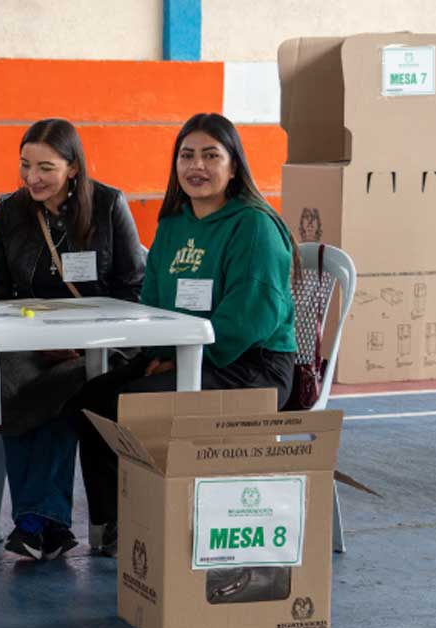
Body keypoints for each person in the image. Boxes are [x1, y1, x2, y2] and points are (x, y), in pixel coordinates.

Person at [69, 112, 298, 557]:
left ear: (234, 166)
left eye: (211, 156)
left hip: (250, 363)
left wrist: (183, 357)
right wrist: (163, 351)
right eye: (187, 155)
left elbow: (253, 315)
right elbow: (152, 299)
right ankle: (115, 522)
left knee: (133, 401)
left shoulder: (253, 225)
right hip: (178, 353)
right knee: (91, 399)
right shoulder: (174, 224)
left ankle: (158, 518)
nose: (197, 166)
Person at [0, 118, 145, 561]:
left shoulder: (109, 205)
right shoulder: (9, 212)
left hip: (103, 345)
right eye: (25, 166)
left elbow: (132, 288)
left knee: (67, 385)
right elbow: (1, 292)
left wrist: (88, 341)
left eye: (46, 168)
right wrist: (38, 342)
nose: (33, 177)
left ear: (73, 168)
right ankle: (45, 524)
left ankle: (37, 522)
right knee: (10, 385)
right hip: (32, 343)